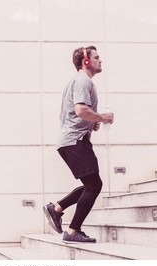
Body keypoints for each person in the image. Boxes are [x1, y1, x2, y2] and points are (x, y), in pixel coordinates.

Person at [43, 46, 114, 243]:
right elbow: (81, 110)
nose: (101, 60)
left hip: (69, 141)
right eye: (97, 57)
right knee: (94, 185)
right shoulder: (83, 81)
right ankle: (73, 231)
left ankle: (56, 208)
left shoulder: (75, 82)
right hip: (75, 141)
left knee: (91, 184)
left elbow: (67, 114)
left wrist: (93, 121)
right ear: (86, 61)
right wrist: (103, 117)